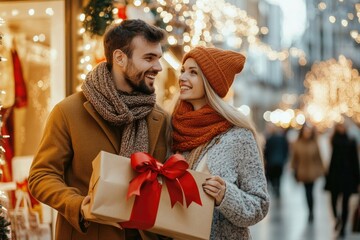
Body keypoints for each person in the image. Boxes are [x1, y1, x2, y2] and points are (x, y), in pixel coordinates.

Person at [28, 19, 170, 240]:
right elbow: (41, 176)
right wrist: (79, 205)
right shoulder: (68, 111)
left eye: (158, 58)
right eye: (149, 58)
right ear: (120, 58)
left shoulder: (160, 119)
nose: (158, 67)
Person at [171, 46, 270, 240]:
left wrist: (225, 195)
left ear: (210, 82)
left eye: (193, 73)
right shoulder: (173, 128)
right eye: (183, 71)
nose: (182, 77)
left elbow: (260, 205)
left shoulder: (238, 136)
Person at [325, 122, 360, 238]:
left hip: (348, 177)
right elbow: (330, 159)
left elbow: (355, 161)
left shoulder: (351, 141)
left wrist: (357, 179)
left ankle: (343, 227)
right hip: (335, 176)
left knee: (345, 203)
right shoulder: (333, 140)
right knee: (333, 200)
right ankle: (337, 218)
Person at [290, 123, 325, 223]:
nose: (307, 133)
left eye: (308, 131)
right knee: (307, 192)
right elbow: (294, 159)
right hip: (303, 172)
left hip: (313, 172)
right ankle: (309, 210)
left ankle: (312, 211)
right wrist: (293, 169)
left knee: (311, 192)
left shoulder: (314, 143)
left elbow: (319, 158)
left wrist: (322, 170)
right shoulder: (297, 143)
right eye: (305, 131)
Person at [264, 123, 289, 198]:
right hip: (280, 161)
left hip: (271, 161)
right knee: (278, 177)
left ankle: (276, 188)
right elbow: (286, 149)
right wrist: (285, 158)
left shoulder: (269, 139)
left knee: (273, 176)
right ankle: (277, 189)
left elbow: (267, 151)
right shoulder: (281, 138)